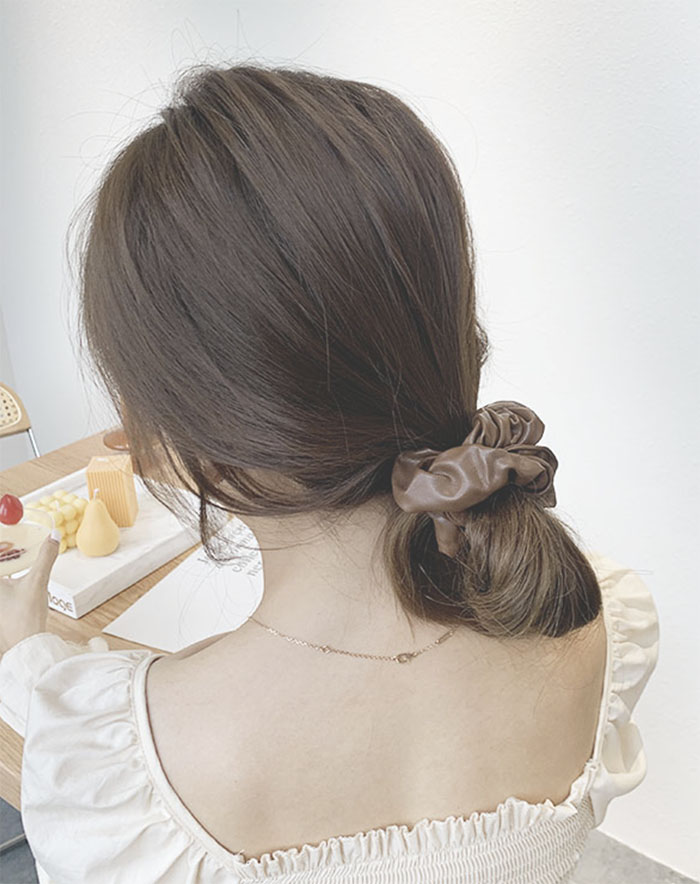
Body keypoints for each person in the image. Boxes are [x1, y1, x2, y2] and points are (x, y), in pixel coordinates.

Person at [0, 63, 659, 883]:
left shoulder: (122, 784)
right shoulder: (598, 617)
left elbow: (89, 755)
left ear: (190, 426)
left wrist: (22, 659)